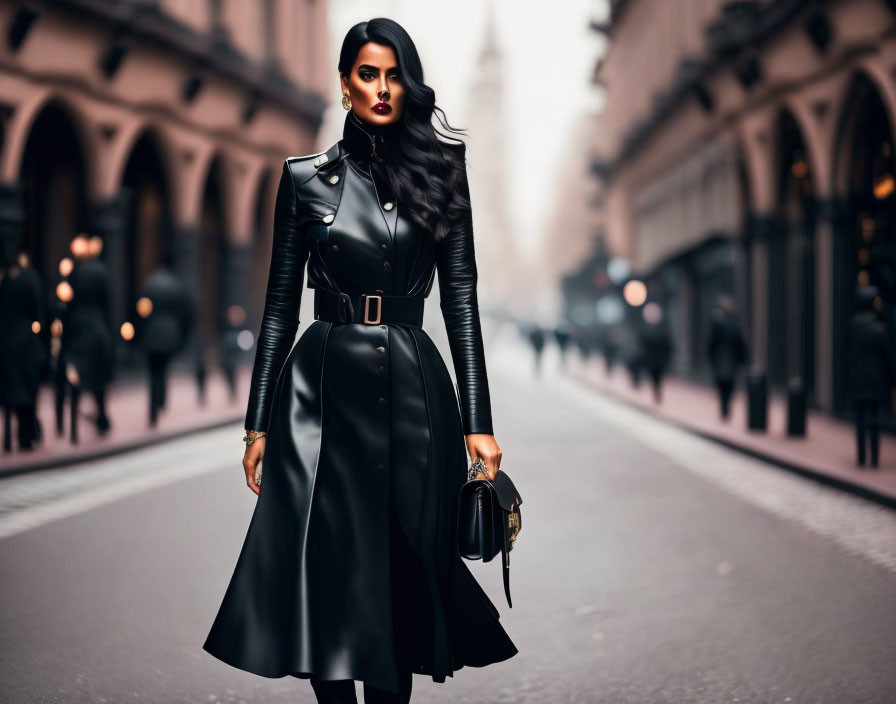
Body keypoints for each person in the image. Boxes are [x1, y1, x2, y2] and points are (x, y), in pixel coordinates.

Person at [202, 18, 517, 704]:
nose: (381, 87)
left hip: (413, 387)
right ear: (345, 84)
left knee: (400, 572)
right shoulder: (304, 180)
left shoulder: (444, 169)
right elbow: (280, 308)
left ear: (408, 83)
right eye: (367, 74)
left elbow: (460, 302)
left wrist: (478, 424)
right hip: (317, 391)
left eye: (394, 73)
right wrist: (257, 423)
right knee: (326, 570)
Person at [60, 234, 114, 443]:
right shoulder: (101, 272)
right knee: (98, 380)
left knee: (77, 379)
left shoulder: (74, 272)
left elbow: (67, 302)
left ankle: (75, 426)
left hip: (77, 329)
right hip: (97, 330)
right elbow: (107, 304)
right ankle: (101, 417)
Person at [134, 259, 193, 427]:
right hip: (170, 334)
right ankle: (161, 401)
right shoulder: (176, 285)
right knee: (163, 370)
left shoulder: (150, 284)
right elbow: (186, 312)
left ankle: (153, 407)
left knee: (153, 372)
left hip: (151, 334)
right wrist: (181, 336)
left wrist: (139, 333)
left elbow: (142, 309)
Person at [844, 285, 896, 468]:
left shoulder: (853, 327)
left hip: (858, 381)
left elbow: (847, 355)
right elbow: (889, 356)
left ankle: (861, 457)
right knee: (874, 419)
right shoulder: (880, 328)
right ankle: (874, 458)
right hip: (876, 381)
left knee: (859, 420)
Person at [0, 252, 47, 452]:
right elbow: (39, 311)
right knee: (29, 388)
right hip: (26, 342)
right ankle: (26, 435)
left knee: (12, 388)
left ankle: (15, 435)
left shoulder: (4, 280)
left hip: (6, 341)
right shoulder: (31, 279)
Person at [706, 295, 747, 420]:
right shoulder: (716, 321)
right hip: (720, 359)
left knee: (730, 385)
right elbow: (711, 341)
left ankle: (726, 407)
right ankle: (724, 409)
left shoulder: (734, 321)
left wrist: (742, 358)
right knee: (722, 384)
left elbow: (740, 341)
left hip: (731, 359)